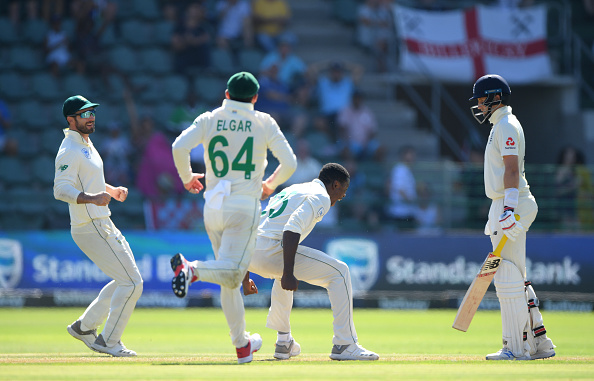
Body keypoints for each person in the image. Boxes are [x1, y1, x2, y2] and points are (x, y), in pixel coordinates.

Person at [170, 71, 297, 364]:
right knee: (232, 273)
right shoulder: (263, 121)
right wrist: (270, 184)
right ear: (254, 98)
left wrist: (188, 178)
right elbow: (290, 163)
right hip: (243, 205)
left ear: (226, 95)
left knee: (228, 277)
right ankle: (191, 270)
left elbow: (178, 146)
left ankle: (242, 346)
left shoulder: (209, 118)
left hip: (212, 205)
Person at [241, 163, 379, 361]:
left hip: (250, 251)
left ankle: (284, 342)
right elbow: (291, 228)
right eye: (344, 190)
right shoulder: (320, 196)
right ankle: (345, 344)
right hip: (271, 250)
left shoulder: (294, 189)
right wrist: (288, 273)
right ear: (335, 185)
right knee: (339, 272)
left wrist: (246, 274)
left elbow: (256, 227)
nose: (343, 196)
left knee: (284, 274)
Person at [468, 74, 555, 360]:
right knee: (515, 276)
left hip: (510, 204)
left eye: (482, 100)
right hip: (507, 203)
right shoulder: (501, 124)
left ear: (495, 97)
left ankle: (516, 348)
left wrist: (508, 208)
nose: (479, 106)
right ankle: (540, 344)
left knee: (507, 276)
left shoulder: (505, 125)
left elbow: (512, 170)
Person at [54, 95, 142, 357]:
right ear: (71, 120)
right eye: (84, 114)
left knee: (124, 280)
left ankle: (84, 327)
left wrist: (110, 190)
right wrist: (92, 198)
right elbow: (61, 189)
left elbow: (88, 180)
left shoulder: (86, 144)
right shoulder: (68, 149)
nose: (90, 117)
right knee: (133, 283)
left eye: (92, 112)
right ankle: (108, 341)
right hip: (90, 225)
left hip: (101, 220)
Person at [386, 145, 417, 229]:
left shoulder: (407, 170)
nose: (413, 157)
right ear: (403, 155)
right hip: (400, 212)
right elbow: (400, 189)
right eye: (410, 154)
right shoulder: (399, 169)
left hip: (407, 211)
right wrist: (411, 201)